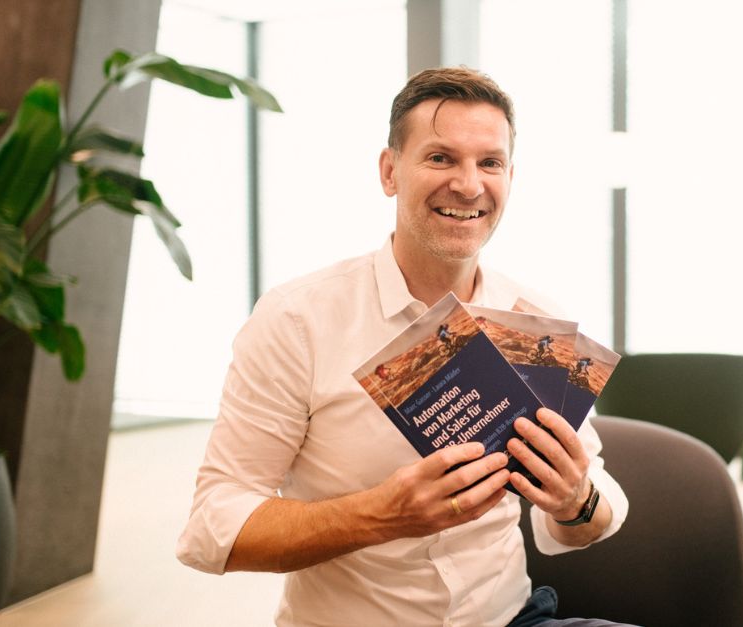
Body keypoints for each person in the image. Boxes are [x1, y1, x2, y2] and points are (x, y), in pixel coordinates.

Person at [176, 67, 630, 627]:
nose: (468, 185)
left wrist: (573, 500)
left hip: (511, 618)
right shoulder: (298, 319)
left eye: (489, 163)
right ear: (390, 172)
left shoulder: (535, 321)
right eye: (440, 158)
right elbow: (213, 526)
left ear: (510, 176)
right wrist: (379, 516)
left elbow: (590, 510)